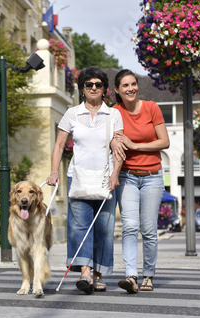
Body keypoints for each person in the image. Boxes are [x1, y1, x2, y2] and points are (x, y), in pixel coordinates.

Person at [46, 67, 123, 294]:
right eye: (89, 84)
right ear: (82, 88)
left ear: (104, 89)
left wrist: (116, 174)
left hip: (105, 179)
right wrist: (53, 172)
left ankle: (99, 274)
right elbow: (59, 145)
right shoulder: (72, 114)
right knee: (79, 226)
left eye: (98, 85)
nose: (93, 88)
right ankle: (85, 273)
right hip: (77, 177)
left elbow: (119, 149)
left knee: (104, 227)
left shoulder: (113, 115)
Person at [111, 69, 170, 293]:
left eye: (133, 84)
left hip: (152, 177)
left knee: (148, 230)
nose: (130, 88)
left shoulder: (151, 108)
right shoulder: (115, 112)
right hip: (127, 176)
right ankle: (131, 276)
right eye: (125, 85)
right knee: (129, 227)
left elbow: (164, 142)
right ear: (117, 90)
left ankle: (148, 274)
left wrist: (135, 146)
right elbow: (112, 142)